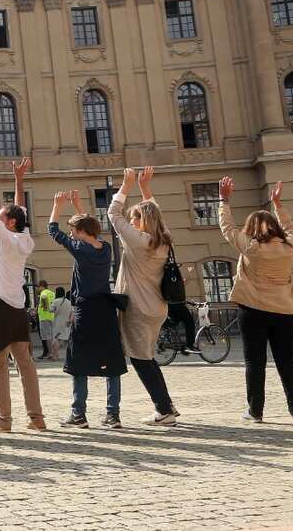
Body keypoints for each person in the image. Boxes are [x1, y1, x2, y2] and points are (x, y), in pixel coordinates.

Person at [218, 177, 293, 423]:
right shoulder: (290, 247)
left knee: (255, 361)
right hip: (287, 310)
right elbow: (289, 228)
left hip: (253, 309)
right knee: (287, 361)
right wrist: (278, 205)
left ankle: (256, 411)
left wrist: (224, 199)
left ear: (252, 229)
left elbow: (227, 228)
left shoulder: (251, 247)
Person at [0, 158, 46, 432]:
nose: (0, 219)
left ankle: (3, 420)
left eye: (5, 217)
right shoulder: (25, 238)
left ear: (10, 222)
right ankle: (36, 418)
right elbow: (21, 210)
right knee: (26, 366)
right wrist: (18, 180)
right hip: (18, 309)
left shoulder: (6, 240)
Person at [108, 167, 180, 426]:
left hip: (138, 309)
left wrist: (127, 186)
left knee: (141, 360)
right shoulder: (164, 241)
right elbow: (155, 215)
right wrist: (145, 190)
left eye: (135, 219)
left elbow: (113, 214)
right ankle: (168, 404)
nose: (133, 222)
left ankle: (164, 410)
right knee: (147, 357)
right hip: (158, 307)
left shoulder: (138, 241)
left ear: (142, 222)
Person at [50, 191, 127, 429]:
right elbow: (88, 226)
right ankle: (113, 415)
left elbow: (53, 231)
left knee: (78, 362)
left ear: (81, 232)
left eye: (73, 230)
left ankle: (79, 414)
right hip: (106, 310)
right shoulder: (105, 248)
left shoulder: (79, 248)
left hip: (85, 310)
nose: (71, 233)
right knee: (112, 361)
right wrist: (78, 206)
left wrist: (57, 206)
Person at [51, 286, 72, 362]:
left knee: (56, 339)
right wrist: (70, 320)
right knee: (66, 339)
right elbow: (71, 312)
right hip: (66, 323)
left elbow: (51, 310)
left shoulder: (56, 301)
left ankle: (55, 355)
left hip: (57, 323)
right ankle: (69, 356)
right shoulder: (69, 302)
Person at [36, 280, 55, 359]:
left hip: (44, 317)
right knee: (52, 336)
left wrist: (43, 307)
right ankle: (54, 353)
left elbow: (44, 302)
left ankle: (50, 353)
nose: (38, 289)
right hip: (52, 316)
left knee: (47, 337)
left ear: (41, 286)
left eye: (38, 287)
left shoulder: (43, 294)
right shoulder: (52, 293)